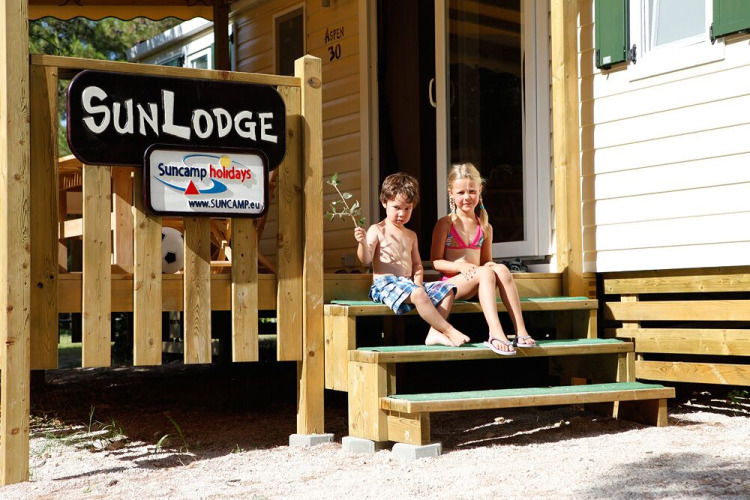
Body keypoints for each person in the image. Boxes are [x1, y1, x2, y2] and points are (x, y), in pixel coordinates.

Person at [430, 162, 536, 355]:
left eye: (471, 191)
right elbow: (435, 261)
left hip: (478, 280)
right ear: (451, 194)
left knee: (501, 269)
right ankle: (495, 332)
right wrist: (459, 267)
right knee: (487, 271)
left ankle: (521, 331)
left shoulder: (485, 227)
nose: (466, 197)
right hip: (452, 283)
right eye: (460, 192)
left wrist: (492, 266)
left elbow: (485, 260)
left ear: (480, 190)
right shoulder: (445, 224)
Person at [354, 172, 470, 347]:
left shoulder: (411, 235)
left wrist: (418, 283)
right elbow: (365, 259)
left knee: (448, 289)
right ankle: (448, 330)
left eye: (408, 208)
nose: (402, 213)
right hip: (385, 285)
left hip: (409, 286)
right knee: (418, 293)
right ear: (384, 202)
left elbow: (417, 265)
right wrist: (362, 243)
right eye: (397, 207)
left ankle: (434, 334)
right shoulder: (377, 229)